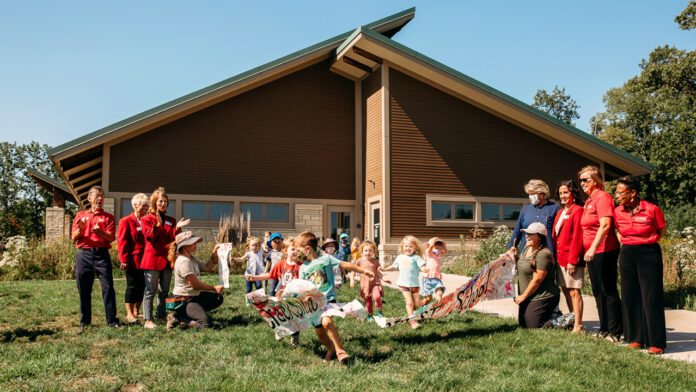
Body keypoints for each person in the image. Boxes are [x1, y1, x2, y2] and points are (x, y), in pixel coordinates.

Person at [295, 231, 374, 364]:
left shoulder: (326, 259)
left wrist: (363, 270)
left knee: (326, 322)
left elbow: (344, 264)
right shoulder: (303, 268)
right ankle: (330, 349)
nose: (297, 253)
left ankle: (339, 350)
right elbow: (303, 286)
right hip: (314, 303)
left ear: (307, 249)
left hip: (328, 299)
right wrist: (304, 297)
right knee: (320, 331)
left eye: (298, 250)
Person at [613, 176, 667, 354]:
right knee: (630, 295)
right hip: (627, 253)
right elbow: (617, 230)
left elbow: (662, 231)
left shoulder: (652, 209)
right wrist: (626, 242)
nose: (617, 195)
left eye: (620, 192)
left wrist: (647, 241)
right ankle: (636, 338)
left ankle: (656, 342)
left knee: (651, 296)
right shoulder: (617, 211)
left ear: (633, 193)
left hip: (649, 253)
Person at [579, 165, 622, 342]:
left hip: (604, 250)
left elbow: (605, 226)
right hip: (593, 253)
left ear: (596, 181)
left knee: (608, 290)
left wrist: (592, 249)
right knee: (597, 291)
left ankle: (616, 331)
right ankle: (604, 328)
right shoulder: (589, 200)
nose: (582, 183)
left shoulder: (603, 198)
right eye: (580, 180)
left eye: (585, 180)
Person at [71, 185, 120, 334]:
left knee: (108, 287)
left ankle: (112, 321)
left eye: (102, 196)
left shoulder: (108, 217)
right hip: (84, 254)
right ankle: (84, 322)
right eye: (96, 196)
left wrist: (99, 232)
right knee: (84, 289)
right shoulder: (80, 215)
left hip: (101, 254)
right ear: (89, 198)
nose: (100, 199)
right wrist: (81, 229)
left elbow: (111, 237)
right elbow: (73, 237)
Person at [141, 187, 189, 329]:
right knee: (150, 290)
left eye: (165, 202)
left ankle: (160, 316)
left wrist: (178, 229)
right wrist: (157, 226)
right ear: (155, 202)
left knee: (164, 291)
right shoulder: (146, 219)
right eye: (160, 201)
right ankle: (148, 319)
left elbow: (172, 239)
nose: (163, 204)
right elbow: (150, 237)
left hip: (167, 260)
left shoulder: (171, 220)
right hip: (153, 260)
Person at [246, 237, 302, 346]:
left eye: (297, 249)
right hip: (281, 297)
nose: (295, 251)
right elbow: (270, 275)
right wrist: (255, 278)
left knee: (294, 319)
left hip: (295, 298)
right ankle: (281, 329)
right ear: (285, 252)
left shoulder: (301, 266)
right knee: (280, 314)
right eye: (292, 249)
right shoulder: (280, 265)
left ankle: (294, 338)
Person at [167, 232, 224, 330]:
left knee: (218, 298)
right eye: (193, 242)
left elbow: (207, 268)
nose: (196, 244)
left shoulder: (191, 258)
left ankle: (191, 314)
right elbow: (194, 285)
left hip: (195, 296)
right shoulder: (184, 261)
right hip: (185, 299)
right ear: (185, 246)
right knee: (205, 325)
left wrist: (213, 254)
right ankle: (178, 318)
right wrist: (214, 288)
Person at [551, 181, 586, 333]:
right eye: (560, 193)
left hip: (571, 258)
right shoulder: (560, 212)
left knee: (574, 291)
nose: (563, 196)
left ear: (573, 193)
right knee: (565, 290)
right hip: (560, 258)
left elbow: (578, 236)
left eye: (566, 192)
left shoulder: (577, 210)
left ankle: (578, 325)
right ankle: (572, 319)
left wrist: (574, 260)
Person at [513, 222, 561, 329]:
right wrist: (515, 257)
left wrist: (523, 296)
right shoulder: (526, 248)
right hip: (530, 295)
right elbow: (524, 264)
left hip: (543, 295)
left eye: (531, 234)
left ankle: (561, 319)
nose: (527, 236)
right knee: (523, 324)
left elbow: (538, 279)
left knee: (533, 327)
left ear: (539, 237)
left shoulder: (544, 254)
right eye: (526, 233)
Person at [379, 235, 426, 329]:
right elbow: (394, 266)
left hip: (415, 285)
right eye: (406, 246)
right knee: (409, 302)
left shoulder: (416, 258)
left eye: (410, 246)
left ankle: (415, 313)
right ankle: (412, 321)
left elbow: (422, 266)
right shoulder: (400, 257)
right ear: (402, 247)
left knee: (416, 303)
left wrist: (425, 269)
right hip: (404, 284)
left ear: (415, 247)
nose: (408, 248)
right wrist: (384, 269)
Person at [117, 193, 149, 323]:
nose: (146, 208)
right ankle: (129, 313)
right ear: (135, 205)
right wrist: (124, 260)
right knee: (132, 286)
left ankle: (137, 310)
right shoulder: (125, 221)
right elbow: (122, 241)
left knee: (143, 286)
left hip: (146, 259)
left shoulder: (146, 220)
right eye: (143, 206)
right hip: (132, 260)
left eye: (147, 206)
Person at [508, 179, 560, 254]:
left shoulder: (555, 208)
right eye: (529, 194)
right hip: (526, 255)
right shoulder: (526, 210)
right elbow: (517, 232)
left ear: (542, 194)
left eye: (533, 194)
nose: (531, 197)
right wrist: (511, 247)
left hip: (546, 254)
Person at [356, 241, 387, 318]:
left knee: (377, 297)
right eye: (365, 251)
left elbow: (378, 272)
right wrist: (352, 280)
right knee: (368, 302)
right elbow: (354, 269)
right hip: (365, 284)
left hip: (375, 283)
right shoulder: (360, 261)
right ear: (362, 251)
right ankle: (370, 315)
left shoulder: (375, 261)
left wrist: (383, 277)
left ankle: (380, 311)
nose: (368, 252)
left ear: (374, 251)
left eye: (370, 251)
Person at [231, 236, 265, 305]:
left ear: (259, 246)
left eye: (256, 245)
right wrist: (234, 259)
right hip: (249, 274)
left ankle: (259, 300)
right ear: (249, 246)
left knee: (259, 286)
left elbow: (269, 256)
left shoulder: (261, 253)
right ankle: (248, 300)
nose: (254, 247)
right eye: (252, 245)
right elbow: (241, 259)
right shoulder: (248, 254)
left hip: (258, 274)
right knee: (249, 288)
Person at [420, 237, 447, 307]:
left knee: (440, 292)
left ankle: (438, 304)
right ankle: (423, 302)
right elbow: (431, 247)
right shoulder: (428, 253)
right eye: (436, 246)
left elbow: (445, 251)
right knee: (429, 298)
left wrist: (443, 246)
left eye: (439, 247)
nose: (438, 249)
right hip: (428, 278)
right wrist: (434, 240)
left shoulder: (437, 254)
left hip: (436, 278)